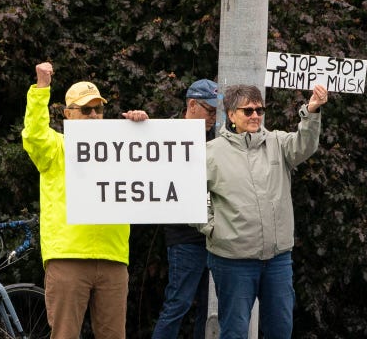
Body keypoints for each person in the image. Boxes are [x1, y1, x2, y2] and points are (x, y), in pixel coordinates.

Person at [22, 61, 148, 339]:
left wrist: (141, 132)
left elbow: (150, 175)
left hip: (113, 256)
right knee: (65, 335)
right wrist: (41, 88)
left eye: (98, 109)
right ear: (67, 114)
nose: (93, 114)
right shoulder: (55, 147)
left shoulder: (122, 147)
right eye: (85, 109)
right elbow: (33, 134)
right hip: (68, 257)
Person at [203, 83, 326, 339]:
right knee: (234, 332)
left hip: (277, 259)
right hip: (233, 260)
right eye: (247, 111)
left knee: (281, 330)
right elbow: (191, 197)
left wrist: (311, 111)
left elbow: (305, 145)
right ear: (231, 114)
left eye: (259, 109)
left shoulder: (277, 142)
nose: (255, 115)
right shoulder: (211, 153)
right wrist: (212, 228)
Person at [152, 79, 219, 339]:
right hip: (185, 236)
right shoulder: (169, 133)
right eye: (209, 110)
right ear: (191, 104)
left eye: (216, 111)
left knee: (208, 307)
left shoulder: (217, 135)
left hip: (214, 235)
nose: (214, 117)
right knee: (178, 304)